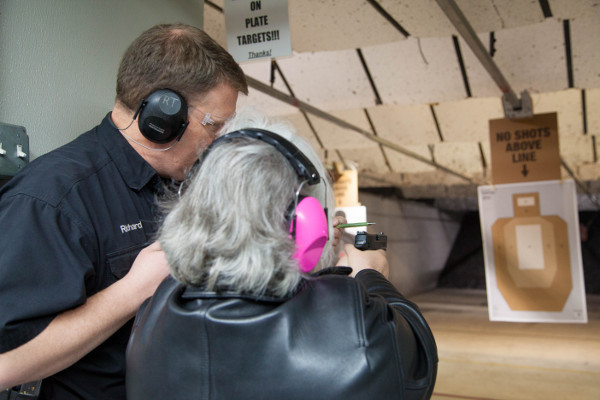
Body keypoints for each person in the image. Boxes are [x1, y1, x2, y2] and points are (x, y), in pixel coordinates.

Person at [0, 23, 248, 399]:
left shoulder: (177, 184)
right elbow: (7, 362)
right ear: (163, 117)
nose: (216, 142)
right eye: (213, 127)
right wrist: (133, 291)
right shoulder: (52, 198)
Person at [125, 112, 438, 400]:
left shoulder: (153, 316)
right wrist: (373, 278)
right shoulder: (352, 324)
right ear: (305, 225)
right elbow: (418, 364)